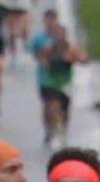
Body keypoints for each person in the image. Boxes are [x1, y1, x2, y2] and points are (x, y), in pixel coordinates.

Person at [28, 13, 87, 147]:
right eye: (56, 33)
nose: (59, 36)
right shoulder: (48, 47)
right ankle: (52, 130)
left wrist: (74, 58)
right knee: (52, 106)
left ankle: (62, 128)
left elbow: (84, 58)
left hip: (65, 83)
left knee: (64, 109)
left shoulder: (70, 47)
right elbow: (40, 58)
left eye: (61, 33)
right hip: (48, 81)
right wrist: (47, 61)